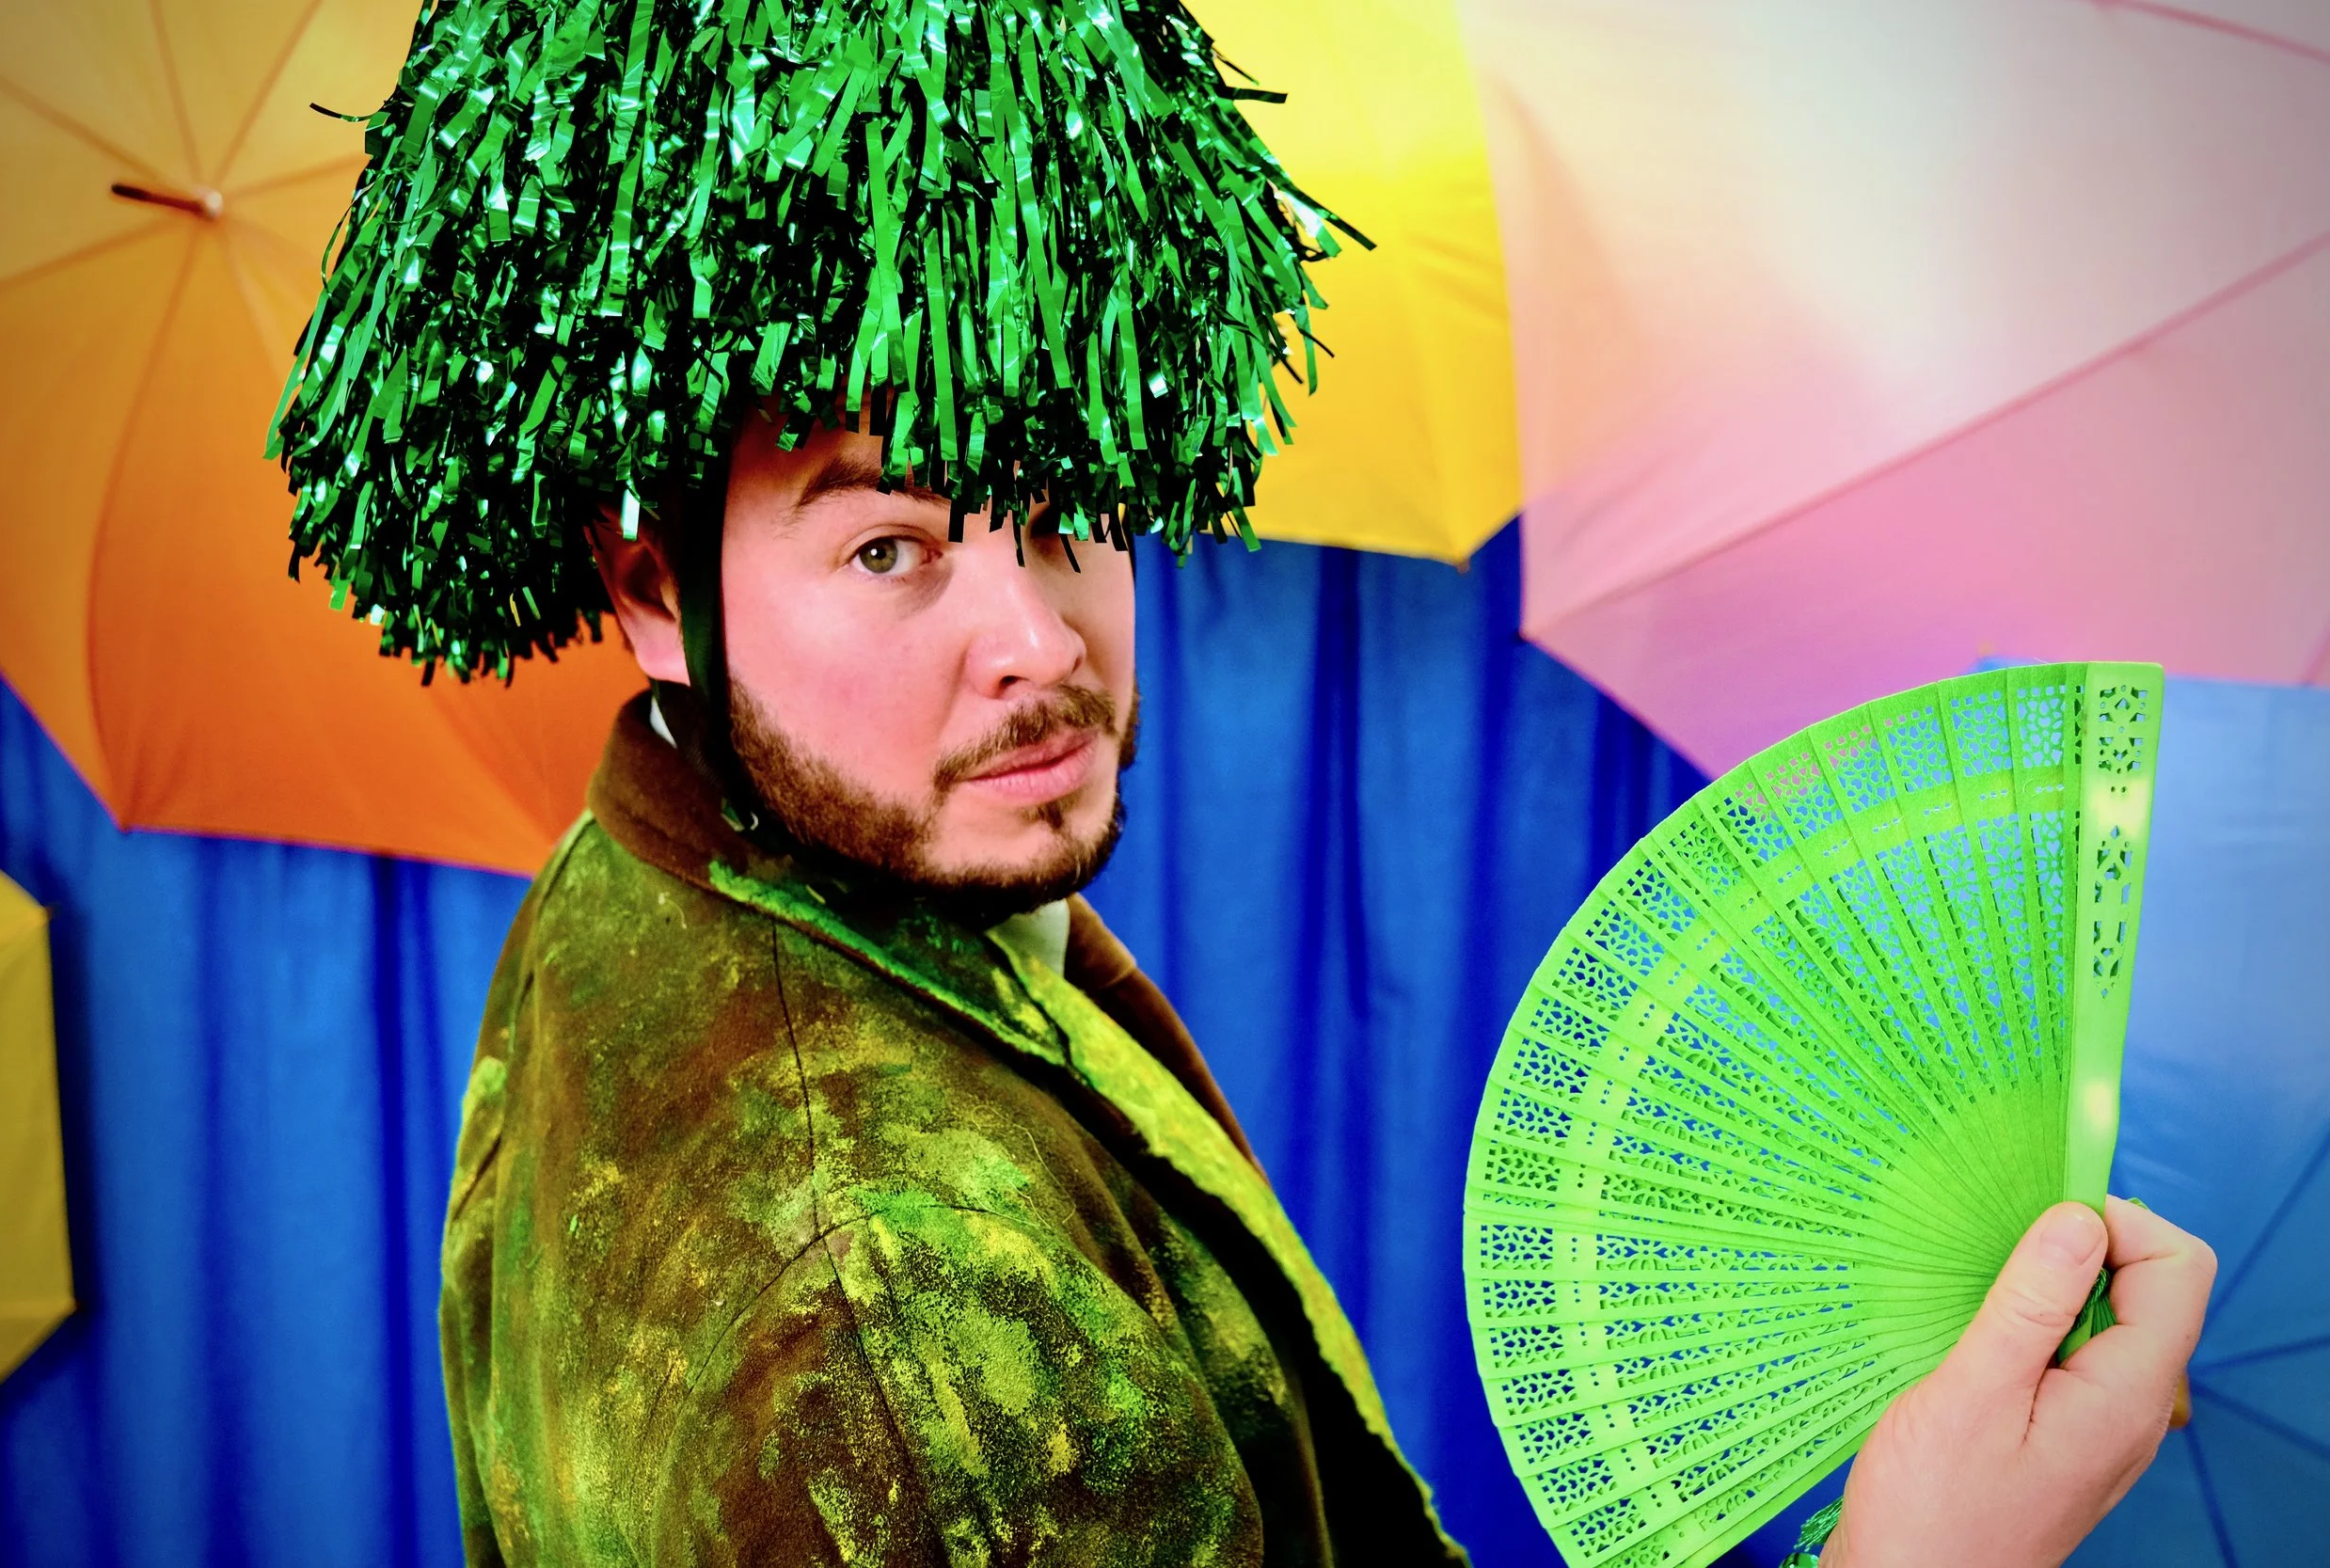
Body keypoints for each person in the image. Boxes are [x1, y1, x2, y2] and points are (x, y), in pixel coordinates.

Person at [271, 0, 2212, 1562]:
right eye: (892, 545)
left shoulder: (667, 845)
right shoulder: (911, 1344)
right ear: (649, 595)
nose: (1039, 638)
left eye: (1064, 507)